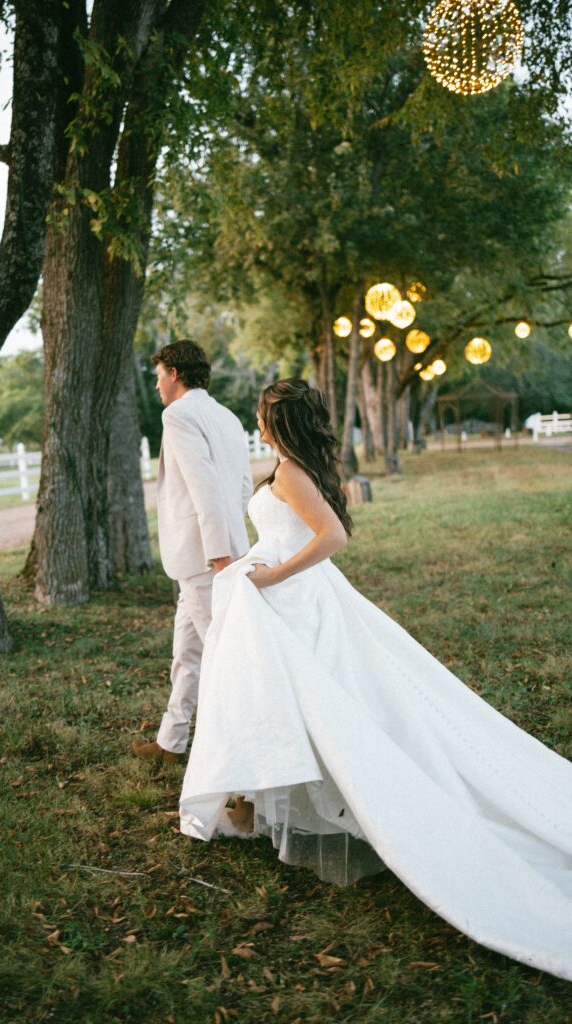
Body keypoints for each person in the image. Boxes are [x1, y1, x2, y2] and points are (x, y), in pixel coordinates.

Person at [179, 378, 572, 982]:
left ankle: (325, 803)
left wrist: (273, 575)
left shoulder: (290, 474)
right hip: (281, 601)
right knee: (281, 704)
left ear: (278, 423)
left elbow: (332, 537)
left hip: (296, 602)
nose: (256, 427)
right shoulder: (291, 466)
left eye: (261, 418)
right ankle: (258, 806)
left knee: (329, 706)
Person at [132, 340, 253, 763]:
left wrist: (218, 552)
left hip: (206, 557)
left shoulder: (179, 414)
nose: (157, 384)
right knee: (187, 652)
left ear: (175, 374)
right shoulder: (225, 415)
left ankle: (244, 752)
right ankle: (171, 740)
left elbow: (203, 484)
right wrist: (232, 538)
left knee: (224, 655)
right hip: (222, 549)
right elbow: (242, 486)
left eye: (159, 375)